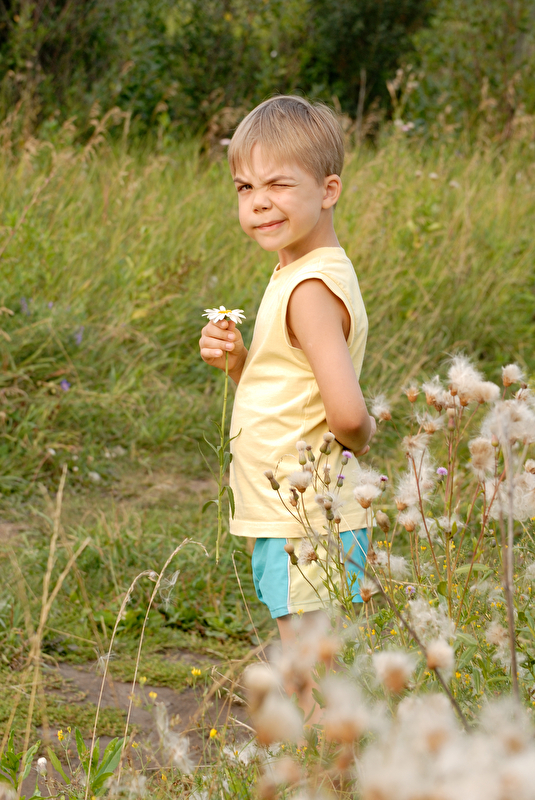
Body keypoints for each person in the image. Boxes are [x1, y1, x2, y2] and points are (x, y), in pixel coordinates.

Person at [199, 95, 375, 723]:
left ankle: (327, 768)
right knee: (310, 667)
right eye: (245, 187)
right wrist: (241, 365)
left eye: (278, 184)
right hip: (294, 516)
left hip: (307, 518)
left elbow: (346, 414)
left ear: (328, 190)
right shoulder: (299, 273)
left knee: (312, 677)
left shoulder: (307, 290)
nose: (258, 202)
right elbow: (299, 384)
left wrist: (364, 435)